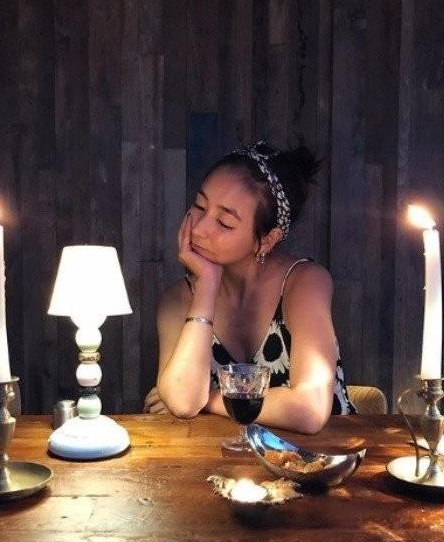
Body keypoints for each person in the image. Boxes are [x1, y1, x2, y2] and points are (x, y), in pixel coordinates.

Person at [144, 141, 355, 433]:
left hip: (319, 455)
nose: (200, 229)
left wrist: (208, 399)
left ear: (267, 239)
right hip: (221, 456)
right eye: (199, 206)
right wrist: (206, 285)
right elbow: (183, 402)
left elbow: (310, 409)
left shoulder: (305, 282)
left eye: (224, 223)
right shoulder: (177, 299)